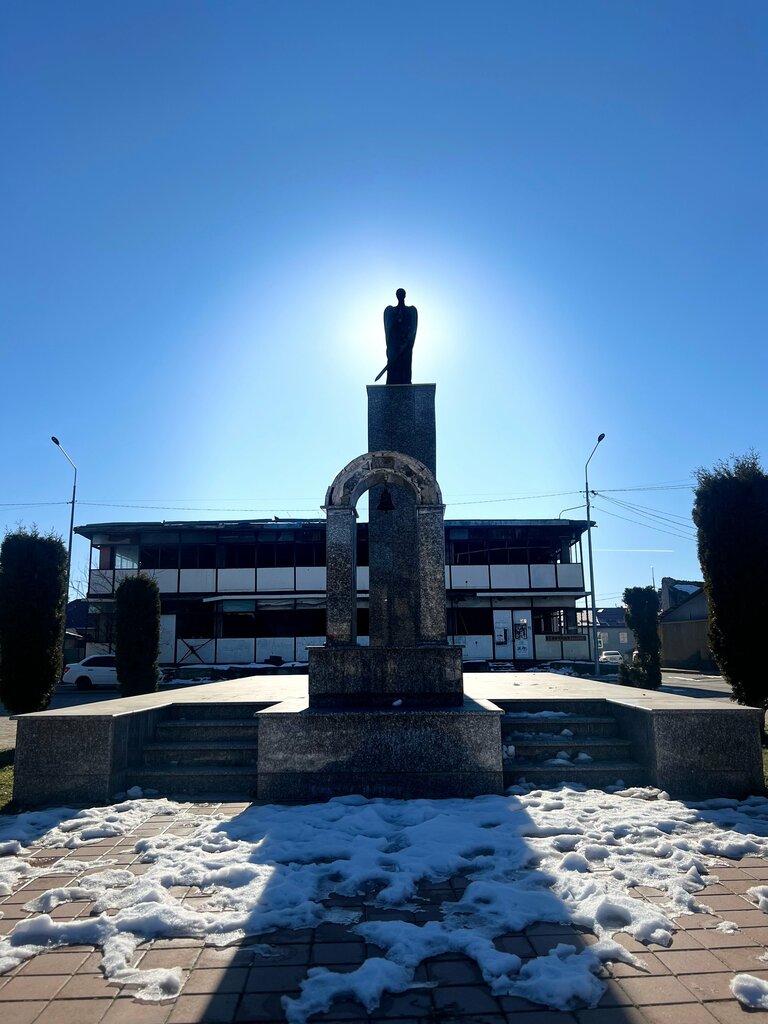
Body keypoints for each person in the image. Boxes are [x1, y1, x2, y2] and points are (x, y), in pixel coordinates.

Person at [383, 288, 418, 384]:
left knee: (405, 365)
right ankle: (391, 387)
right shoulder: (391, 311)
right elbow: (388, 329)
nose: (400, 295)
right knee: (393, 367)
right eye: (398, 294)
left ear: (404, 295)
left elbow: (413, 328)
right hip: (394, 345)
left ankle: (405, 384)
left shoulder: (411, 311)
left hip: (406, 345)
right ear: (396, 296)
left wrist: (408, 340)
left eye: (402, 294)